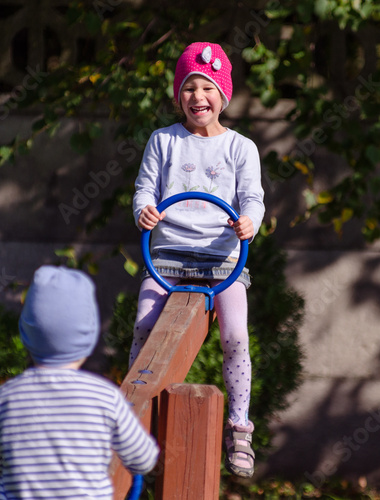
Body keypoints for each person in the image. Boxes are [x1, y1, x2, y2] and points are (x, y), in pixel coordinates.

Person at [130, 42, 265, 479]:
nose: (197, 97)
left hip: (221, 260)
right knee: (145, 325)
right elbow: (144, 189)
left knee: (235, 336)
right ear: (178, 95)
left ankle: (239, 425)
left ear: (222, 95)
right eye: (189, 87)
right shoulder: (163, 140)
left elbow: (253, 199)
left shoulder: (241, 147)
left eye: (207, 87)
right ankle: (135, 415)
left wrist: (249, 223)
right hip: (166, 256)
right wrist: (144, 211)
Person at [0, 265, 159, 499]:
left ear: (27, 335)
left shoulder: (5, 396)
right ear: (89, 335)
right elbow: (143, 460)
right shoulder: (105, 398)